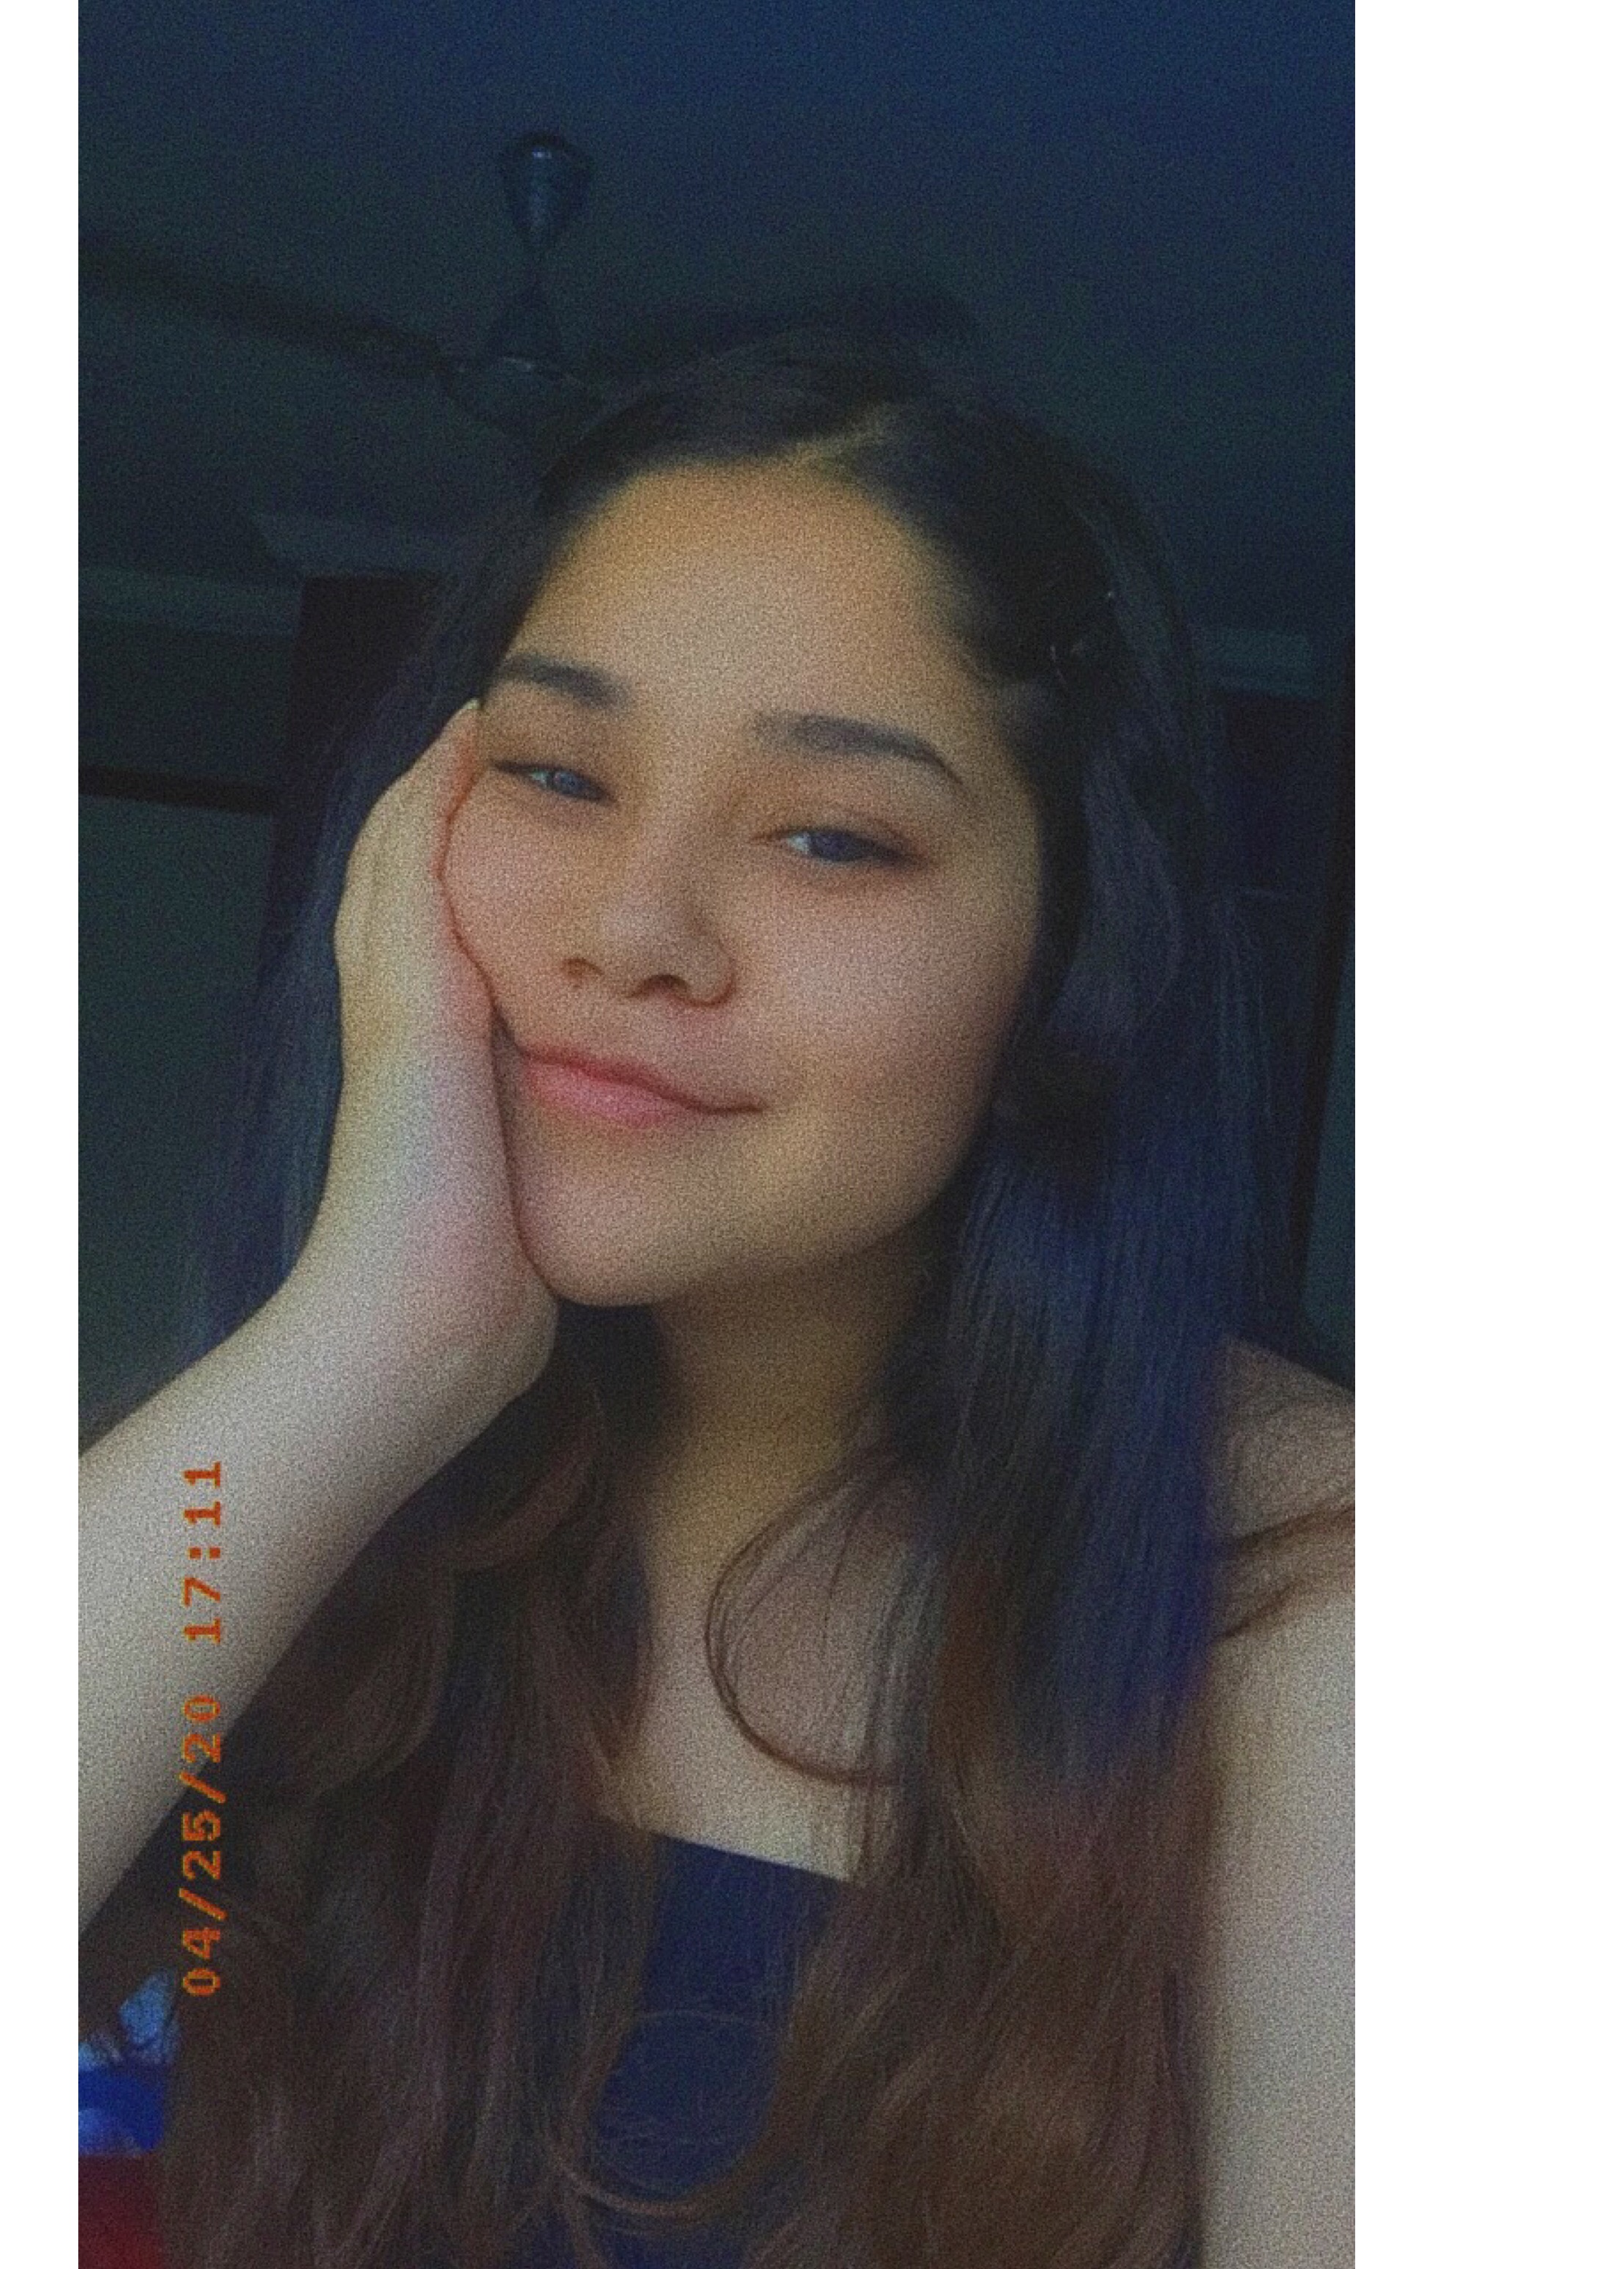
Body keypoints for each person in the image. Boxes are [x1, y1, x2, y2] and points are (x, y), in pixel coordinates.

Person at [79, 329, 1352, 2269]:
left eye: (833, 836)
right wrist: (377, 1343)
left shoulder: (1317, 1593)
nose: (634, 930)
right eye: (556, 774)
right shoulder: (306, 1475)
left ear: (1070, 959)